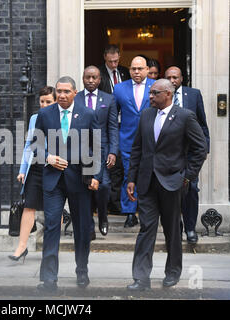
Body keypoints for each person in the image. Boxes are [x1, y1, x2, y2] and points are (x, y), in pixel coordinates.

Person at [126, 79, 207, 291]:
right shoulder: (146, 115)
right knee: (146, 229)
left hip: (173, 183)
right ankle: (140, 278)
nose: (150, 96)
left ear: (168, 94)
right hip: (147, 183)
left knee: (172, 231)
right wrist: (132, 179)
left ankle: (172, 273)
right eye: (150, 93)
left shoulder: (185, 116)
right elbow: (137, 149)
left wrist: (187, 176)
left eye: (154, 93)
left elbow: (200, 149)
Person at [34, 76, 100, 293]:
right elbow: (36, 145)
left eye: (66, 92)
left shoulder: (88, 114)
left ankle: (82, 271)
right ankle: (49, 279)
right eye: (59, 91)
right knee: (52, 226)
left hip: (79, 179)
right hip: (53, 180)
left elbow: (95, 147)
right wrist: (47, 157)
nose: (62, 95)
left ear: (74, 92)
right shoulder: (45, 114)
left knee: (82, 229)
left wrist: (93, 176)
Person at [10, 86, 56, 261]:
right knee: (29, 206)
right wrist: (23, 170)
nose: (44, 105)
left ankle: (52, 248)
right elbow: (29, 145)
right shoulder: (34, 118)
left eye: (48, 102)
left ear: (56, 101)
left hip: (54, 168)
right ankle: (22, 247)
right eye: (42, 102)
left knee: (54, 209)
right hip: (35, 168)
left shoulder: (60, 118)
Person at [165, 66, 210, 244]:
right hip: (169, 153)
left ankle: (190, 228)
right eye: (169, 77)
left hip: (190, 153)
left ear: (182, 78)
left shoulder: (193, 94)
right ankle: (177, 227)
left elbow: (202, 122)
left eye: (175, 77)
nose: (172, 81)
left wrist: (205, 147)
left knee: (191, 189)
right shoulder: (161, 96)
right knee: (172, 191)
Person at [75, 66, 118, 239]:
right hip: (81, 149)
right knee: (84, 187)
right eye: (88, 77)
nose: (91, 81)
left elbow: (113, 126)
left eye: (94, 78)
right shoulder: (75, 98)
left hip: (103, 148)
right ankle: (89, 225)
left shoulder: (109, 99)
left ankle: (103, 216)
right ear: (83, 78)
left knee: (104, 185)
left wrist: (113, 151)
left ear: (100, 80)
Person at [113, 56, 155, 228]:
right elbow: (113, 116)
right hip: (127, 139)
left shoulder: (157, 86)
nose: (136, 72)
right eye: (133, 69)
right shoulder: (119, 88)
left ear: (147, 69)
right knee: (128, 176)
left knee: (150, 175)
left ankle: (147, 212)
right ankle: (130, 213)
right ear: (129, 70)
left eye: (140, 69)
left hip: (152, 139)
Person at [97, 45, 129, 217]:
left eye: (116, 61)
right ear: (105, 58)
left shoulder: (124, 72)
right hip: (107, 123)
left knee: (122, 165)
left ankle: (118, 204)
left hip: (124, 123)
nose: (114, 64)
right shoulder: (99, 74)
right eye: (110, 62)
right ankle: (108, 203)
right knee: (110, 165)